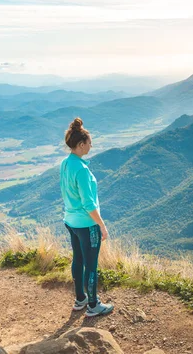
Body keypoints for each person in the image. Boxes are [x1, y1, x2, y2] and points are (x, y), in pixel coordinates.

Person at [60, 117, 114, 317]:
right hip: (86, 223)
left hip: (70, 221)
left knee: (78, 260)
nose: (91, 145)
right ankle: (93, 305)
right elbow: (89, 204)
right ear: (81, 144)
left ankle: (80, 298)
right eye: (90, 142)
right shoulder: (82, 170)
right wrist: (101, 225)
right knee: (91, 265)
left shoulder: (65, 164)